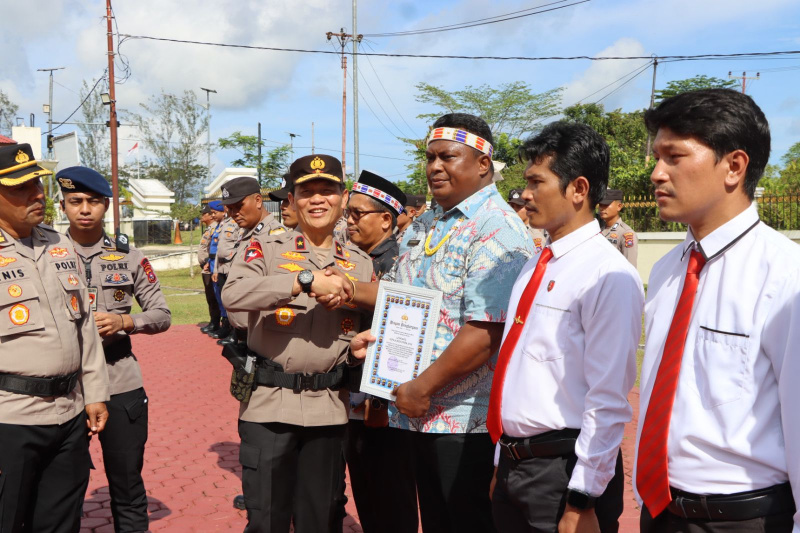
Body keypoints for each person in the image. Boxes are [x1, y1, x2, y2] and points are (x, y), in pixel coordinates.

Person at [344, 113, 534, 533]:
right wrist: (367, 332)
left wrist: (421, 386)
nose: (434, 167)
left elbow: (487, 331)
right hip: (418, 411)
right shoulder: (430, 222)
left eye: (447, 156)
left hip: (465, 421)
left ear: (483, 163)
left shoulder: (496, 229)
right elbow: (402, 297)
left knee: (464, 521)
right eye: (430, 157)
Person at [635, 88, 800, 532]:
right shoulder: (671, 268)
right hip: (660, 511)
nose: (656, 173)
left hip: (745, 519)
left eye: (674, 157)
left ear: (734, 166)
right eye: (657, 156)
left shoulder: (786, 277)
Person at [487, 122, 644, 533]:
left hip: (563, 473)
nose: (525, 195)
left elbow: (608, 398)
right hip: (516, 465)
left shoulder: (607, 274)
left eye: (537, 182)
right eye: (525, 183)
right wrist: (501, 463)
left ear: (578, 189)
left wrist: (583, 498)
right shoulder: (535, 263)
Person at [221, 154, 374, 533]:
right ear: (291, 200)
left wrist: (356, 355)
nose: (318, 200)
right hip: (270, 408)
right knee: (267, 520)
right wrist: (302, 281)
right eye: (307, 192)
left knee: (319, 520)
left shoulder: (360, 264)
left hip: (328, 411)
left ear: (343, 198)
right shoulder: (265, 249)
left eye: (328, 191)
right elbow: (233, 295)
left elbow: (356, 337)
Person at [0, 143, 110, 532]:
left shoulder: (59, 245)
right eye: (19, 188)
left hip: (69, 413)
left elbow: (85, 328)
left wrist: (95, 391)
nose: (36, 196)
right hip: (10, 419)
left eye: (38, 185)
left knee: (61, 522)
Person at [58, 165, 171, 533]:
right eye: (76, 201)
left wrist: (127, 322)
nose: (85, 209)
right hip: (65, 388)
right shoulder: (47, 255)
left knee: (127, 484)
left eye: (93, 201)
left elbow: (162, 314)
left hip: (119, 379)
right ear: (63, 207)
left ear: (106, 206)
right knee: (60, 490)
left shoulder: (131, 257)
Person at [343, 170, 417, 533]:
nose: (349, 221)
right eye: (349, 213)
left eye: (358, 214)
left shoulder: (398, 265)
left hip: (380, 403)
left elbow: (398, 339)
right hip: (355, 395)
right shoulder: (358, 259)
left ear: (386, 219)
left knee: (389, 493)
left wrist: (379, 402)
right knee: (366, 487)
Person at [212, 204, 241, 343]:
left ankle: (236, 332)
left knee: (233, 300)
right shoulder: (223, 224)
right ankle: (227, 327)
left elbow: (239, 245)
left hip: (231, 266)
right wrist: (216, 269)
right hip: (222, 267)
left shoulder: (237, 223)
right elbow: (219, 249)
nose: (227, 209)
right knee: (224, 299)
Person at [198, 204, 222, 334]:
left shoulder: (216, 228)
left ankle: (216, 323)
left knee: (214, 296)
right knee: (210, 296)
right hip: (207, 266)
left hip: (212, 265)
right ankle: (213, 321)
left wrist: (209, 262)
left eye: (204, 214)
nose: (202, 216)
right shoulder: (210, 228)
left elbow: (214, 248)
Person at [597, 189, 637, 267]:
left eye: (606, 205)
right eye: (601, 205)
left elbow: (630, 267)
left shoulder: (625, 234)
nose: (602, 208)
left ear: (619, 206)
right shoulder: (599, 231)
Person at [205, 200, 226, 337]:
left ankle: (226, 326)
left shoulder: (228, 225)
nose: (212, 216)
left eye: (215, 213)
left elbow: (222, 249)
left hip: (222, 265)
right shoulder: (217, 227)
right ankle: (220, 324)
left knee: (223, 296)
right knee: (216, 295)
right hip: (213, 263)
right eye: (211, 213)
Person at [507, 188, 546, 252]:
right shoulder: (509, 228)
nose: (514, 210)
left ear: (528, 207)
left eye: (519, 206)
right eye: (512, 206)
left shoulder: (534, 234)